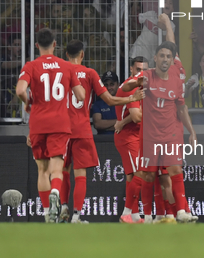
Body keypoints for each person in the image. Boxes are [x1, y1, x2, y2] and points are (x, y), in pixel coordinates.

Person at [60, 40, 144, 223]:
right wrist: (132, 97)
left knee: (63, 171)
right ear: (82, 54)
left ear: (66, 55)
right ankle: (76, 216)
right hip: (81, 129)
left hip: (61, 129)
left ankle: (63, 208)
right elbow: (109, 100)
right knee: (80, 174)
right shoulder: (89, 73)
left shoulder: (59, 72)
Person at [122, 41, 198, 223]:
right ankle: (148, 216)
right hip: (150, 136)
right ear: (155, 58)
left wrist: (192, 132)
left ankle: (181, 212)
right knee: (148, 175)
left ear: (172, 60)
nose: (165, 59)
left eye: (168, 56)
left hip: (170, 134)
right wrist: (135, 83)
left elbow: (182, 109)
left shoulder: (177, 81)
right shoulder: (146, 76)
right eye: (162, 55)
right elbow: (125, 88)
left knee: (175, 170)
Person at [15, 28, 85, 223]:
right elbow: (81, 96)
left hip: (38, 123)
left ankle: (47, 213)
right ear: (55, 45)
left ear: (37, 45)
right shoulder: (67, 67)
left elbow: (20, 89)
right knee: (57, 168)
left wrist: (28, 101)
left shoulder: (31, 66)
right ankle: (56, 191)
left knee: (42, 170)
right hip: (60, 124)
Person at [114, 56, 149, 223]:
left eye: (144, 71)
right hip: (129, 138)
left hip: (134, 135)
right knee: (141, 173)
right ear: (131, 69)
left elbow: (130, 116)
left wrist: (122, 120)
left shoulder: (140, 87)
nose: (141, 74)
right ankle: (126, 212)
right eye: (138, 70)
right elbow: (136, 117)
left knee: (131, 177)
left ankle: (134, 215)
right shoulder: (131, 88)